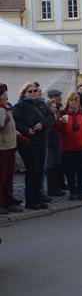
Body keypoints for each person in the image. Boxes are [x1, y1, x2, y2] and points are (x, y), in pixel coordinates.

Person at [14, 82, 55, 210]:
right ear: (24, 92)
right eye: (30, 91)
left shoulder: (41, 104)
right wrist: (26, 130)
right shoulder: (21, 105)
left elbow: (51, 117)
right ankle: (30, 200)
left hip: (41, 141)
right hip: (29, 142)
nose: (33, 93)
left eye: (35, 91)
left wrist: (42, 124)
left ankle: (38, 197)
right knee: (32, 172)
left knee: (39, 172)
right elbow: (15, 122)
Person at [55, 92, 82, 201]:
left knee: (81, 171)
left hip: (81, 147)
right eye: (72, 100)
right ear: (68, 101)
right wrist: (60, 122)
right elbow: (56, 128)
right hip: (67, 148)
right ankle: (72, 192)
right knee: (70, 171)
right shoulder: (62, 113)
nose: (74, 102)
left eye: (76, 100)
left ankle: (81, 191)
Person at [0, 84, 21, 214]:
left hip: (10, 146)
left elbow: (11, 127)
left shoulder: (6, 108)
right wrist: (6, 114)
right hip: (2, 147)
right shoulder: (2, 110)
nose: (6, 100)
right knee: (1, 176)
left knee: (8, 176)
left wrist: (19, 135)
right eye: (4, 98)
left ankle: (8, 200)